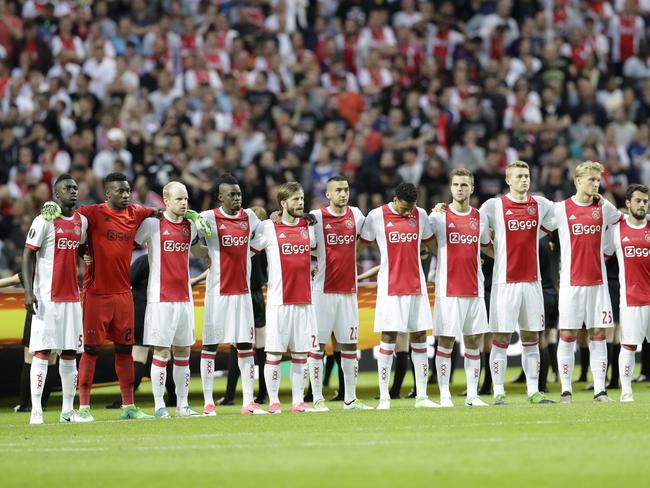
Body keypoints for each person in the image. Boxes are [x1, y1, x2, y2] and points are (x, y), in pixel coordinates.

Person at [41, 172, 207, 421]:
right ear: (108, 193)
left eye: (128, 190)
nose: (126, 195)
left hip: (123, 294)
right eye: (120, 191)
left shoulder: (136, 213)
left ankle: (129, 406)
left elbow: (158, 212)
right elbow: (71, 221)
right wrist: (51, 208)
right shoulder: (91, 213)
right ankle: (83, 406)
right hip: (96, 292)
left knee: (125, 350)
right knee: (91, 350)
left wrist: (192, 216)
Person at [357, 182, 439, 410]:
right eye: (404, 208)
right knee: (388, 337)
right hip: (389, 288)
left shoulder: (420, 215)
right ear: (394, 200)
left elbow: (433, 246)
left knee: (420, 337)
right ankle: (384, 397)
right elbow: (359, 247)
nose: (407, 212)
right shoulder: (375, 216)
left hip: (416, 286)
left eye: (411, 208)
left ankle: (421, 396)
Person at [479, 161, 555, 405]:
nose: (525, 180)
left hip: (533, 283)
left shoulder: (541, 205)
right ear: (508, 180)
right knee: (500, 339)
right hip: (504, 284)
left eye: (527, 175)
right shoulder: (493, 206)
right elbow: (479, 237)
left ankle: (533, 390)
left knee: (532, 339)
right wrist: (498, 255)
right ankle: (498, 391)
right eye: (519, 176)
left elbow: (564, 215)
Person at [134, 181, 208, 418]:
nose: (184, 202)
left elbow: (197, 252)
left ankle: (182, 405)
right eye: (179, 199)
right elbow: (131, 240)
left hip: (184, 298)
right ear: (165, 201)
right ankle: (159, 406)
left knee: (184, 351)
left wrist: (205, 238)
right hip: (160, 299)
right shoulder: (153, 225)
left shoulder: (190, 225)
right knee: (162, 352)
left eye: (186, 198)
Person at [549, 161, 621, 403]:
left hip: (598, 283)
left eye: (598, 180)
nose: (595, 184)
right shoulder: (560, 209)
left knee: (598, 333)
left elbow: (626, 220)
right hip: (571, 283)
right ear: (578, 181)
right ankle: (566, 390)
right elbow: (537, 225)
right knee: (568, 334)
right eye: (591, 179)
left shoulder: (604, 209)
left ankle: (600, 390)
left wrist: (606, 202)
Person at [23, 174, 90, 424]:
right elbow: (28, 255)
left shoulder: (81, 222)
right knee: (42, 351)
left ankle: (67, 411)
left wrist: (86, 259)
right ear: (56, 194)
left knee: (70, 352)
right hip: (46, 298)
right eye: (67, 188)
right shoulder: (43, 220)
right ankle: (36, 410)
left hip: (72, 298)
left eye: (75, 187)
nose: (73, 190)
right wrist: (29, 292)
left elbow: (81, 248)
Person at [199, 174, 267, 415]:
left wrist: (249, 252)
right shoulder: (207, 218)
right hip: (217, 293)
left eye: (239, 194)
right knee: (210, 345)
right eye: (232, 194)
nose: (237, 198)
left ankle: (248, 401)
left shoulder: (249, 217)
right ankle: (208, 402)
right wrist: (202, 250)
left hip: (243, 293)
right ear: (220, 197)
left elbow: (264, 235)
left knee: (245, 345)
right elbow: (196, 248)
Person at [250, 182, 318, 414]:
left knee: (301, 353)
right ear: (283, 203)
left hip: (304, 300)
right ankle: (274, 401)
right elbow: (249, 249)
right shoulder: (268, 227)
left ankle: (298, 401)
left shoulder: (308, 226)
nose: (301, 203)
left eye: (301, 198)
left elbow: (317, 252)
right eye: (295, 199)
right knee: (274, 353)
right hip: (279, 301)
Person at [308, 175, 373, 411]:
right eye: (338, 190)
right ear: (328, 194)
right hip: (322, 292)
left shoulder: (356, 215)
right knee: (317, 347)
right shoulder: (315, 218)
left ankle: (350, 399)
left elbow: (376, 225)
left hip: (348, 292)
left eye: (346, 189)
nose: (343, 194)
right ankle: (316, 398)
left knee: (349, 346)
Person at [429, 168, 491, 407]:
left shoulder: (480, 217)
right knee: (445, 342)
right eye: (456, 185)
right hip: (448, 290)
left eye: (465, 185)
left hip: (475, 289)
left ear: (472, 188)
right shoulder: (438, 217)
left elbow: (485, 246)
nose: (460, 189)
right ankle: (444, 394)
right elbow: (425, 242)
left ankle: (472, 395)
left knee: (473, 343)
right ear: (450, 187)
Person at [607, 184, 650, 402]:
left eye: (645, 201)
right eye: (638, 201)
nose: (642, 205)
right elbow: (603, 255)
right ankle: (626, 391)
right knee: (630, 345)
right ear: (628, 203)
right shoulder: (616, 231)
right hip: (631, 299)